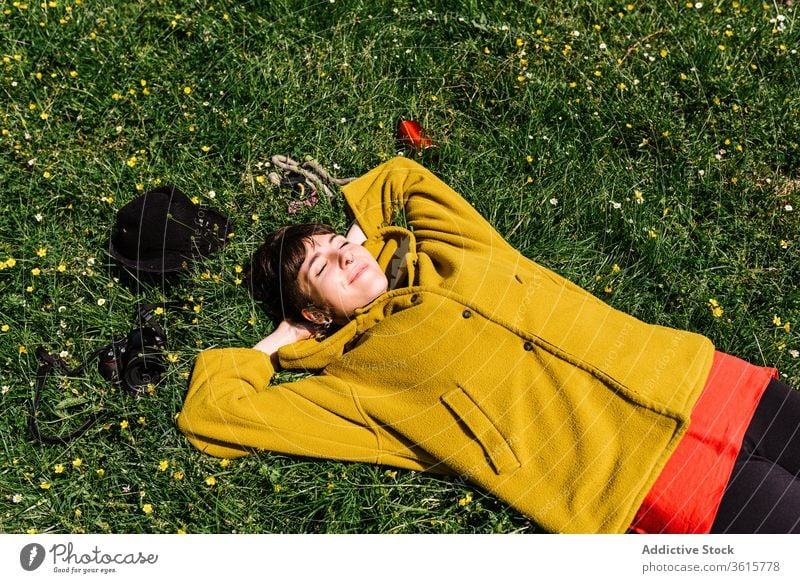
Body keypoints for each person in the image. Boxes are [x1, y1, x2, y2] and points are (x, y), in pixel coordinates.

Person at [178, 156, 800, 534]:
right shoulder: (354, 383)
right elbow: (215, 415)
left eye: (341, 246)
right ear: (316, 310)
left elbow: (403, 179)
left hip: (710, 383)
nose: (344, 258)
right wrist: (282, 339)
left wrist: (356, 234)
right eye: (322, 272)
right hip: (644, 483)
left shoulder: (454, 250)